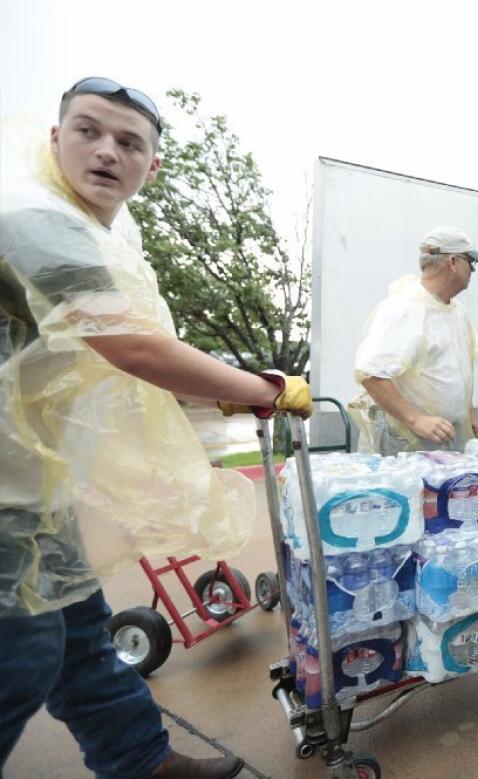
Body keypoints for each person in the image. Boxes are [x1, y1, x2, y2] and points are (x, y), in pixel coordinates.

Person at [0, 78, 311, 779]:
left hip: (24, 472)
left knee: (79, 625)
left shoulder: (97, 227)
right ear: (55, 139)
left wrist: (221, 394)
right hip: (3, 481)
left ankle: (141, 761)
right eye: (88, 131)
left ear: (152, 165)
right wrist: (262, 389)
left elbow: (106, 359)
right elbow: (131, 346)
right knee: (21, 650)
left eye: (129, 142)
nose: (107, 152)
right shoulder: (35, 215)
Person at [351, 226, 478, 454]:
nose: (473, 270)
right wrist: (416, 420)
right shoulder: (404, 308)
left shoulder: (456, 312)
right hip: (406, 440)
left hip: (443, 435)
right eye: (470, 262)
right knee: (410, 490)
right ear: (453, 262)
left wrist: (469, 411)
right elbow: (371, 374)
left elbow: (459, 368)